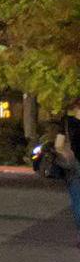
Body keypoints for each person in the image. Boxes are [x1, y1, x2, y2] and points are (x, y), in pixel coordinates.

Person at [59, 102, 80, 243]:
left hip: (74, 166)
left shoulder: (67, 123)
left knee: (78, 202)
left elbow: (58, 145)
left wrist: (64, 153)